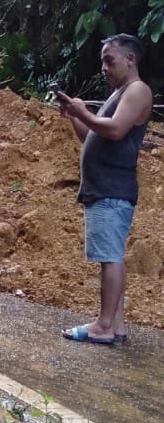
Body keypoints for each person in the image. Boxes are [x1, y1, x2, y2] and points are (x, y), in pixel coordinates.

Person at [56, 34, 152, 345]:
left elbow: (114, 130)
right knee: (110, 256)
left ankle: (104, 325)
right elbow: (93, 138)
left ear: (130, 59)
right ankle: (117, 325)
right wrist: (75, 116)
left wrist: (84, 111)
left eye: (109, 60)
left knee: (111, 257)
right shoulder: (121, 94)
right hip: (105, 189)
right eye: (102, 61)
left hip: (113, 188)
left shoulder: (137, 91)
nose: (103, 67)